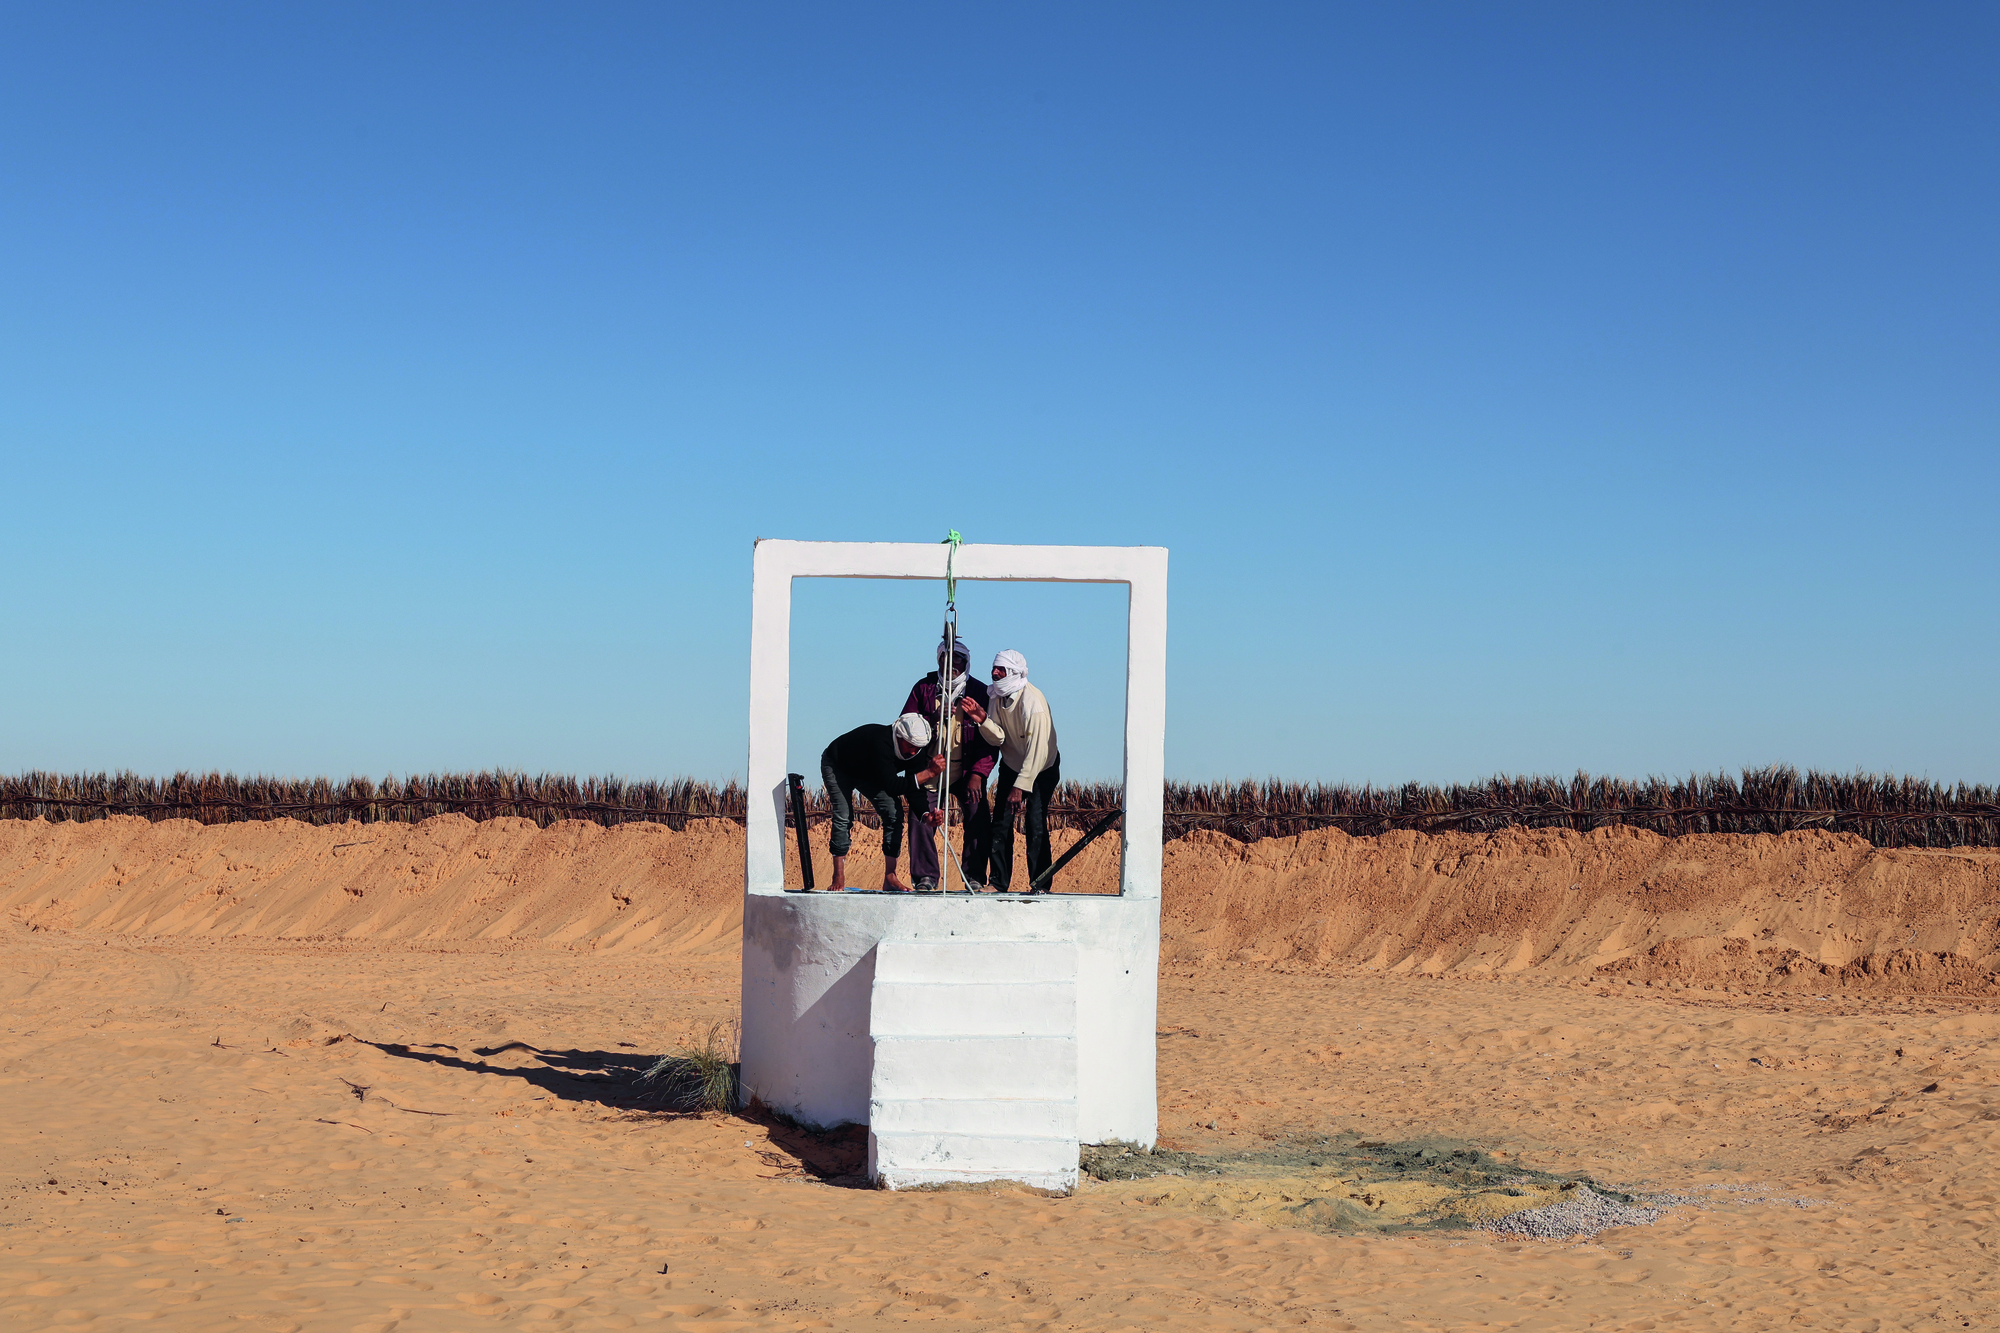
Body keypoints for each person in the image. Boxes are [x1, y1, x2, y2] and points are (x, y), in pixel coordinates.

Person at [958, 649, 1061, 893]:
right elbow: (999, 738)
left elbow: (1038, 752)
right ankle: (998, 883)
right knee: (1001, 825)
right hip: (1012, 766)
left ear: (1013, 672)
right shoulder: (996, 695)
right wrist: (982, 719)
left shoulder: (1033, 703)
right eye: (994, 668)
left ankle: (1041, 885)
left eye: (1001, 670)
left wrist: (1020, 786)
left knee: (1035, 825)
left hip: (1040, 770)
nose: (994, 673)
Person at [900, 638, 997, 891]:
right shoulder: (924, 689)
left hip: (966, 771)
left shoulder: (980, 692)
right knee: (921, 815)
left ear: (966, 664)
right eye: (947, 661)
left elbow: (991, 739)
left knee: (978, 815)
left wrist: (978, 773)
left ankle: (974, 876)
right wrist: (933, 718)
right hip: (932, 769)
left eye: (959, 662)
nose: (952, 667)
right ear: (939, 661)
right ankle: (926, 877)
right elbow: (905, 727)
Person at [819, 713, 941, 893]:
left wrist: (925, 815)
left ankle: (890, 877)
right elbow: (892, 785)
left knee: (893, 813)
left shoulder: (916, 751)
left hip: (870, 774)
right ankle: (838, 875)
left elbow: (914, 788)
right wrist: (928, 773)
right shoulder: (881, 742)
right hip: (838, 766)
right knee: (844, 814)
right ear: (899, 736)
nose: (913, 752)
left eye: (918, 748)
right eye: (910, 746)